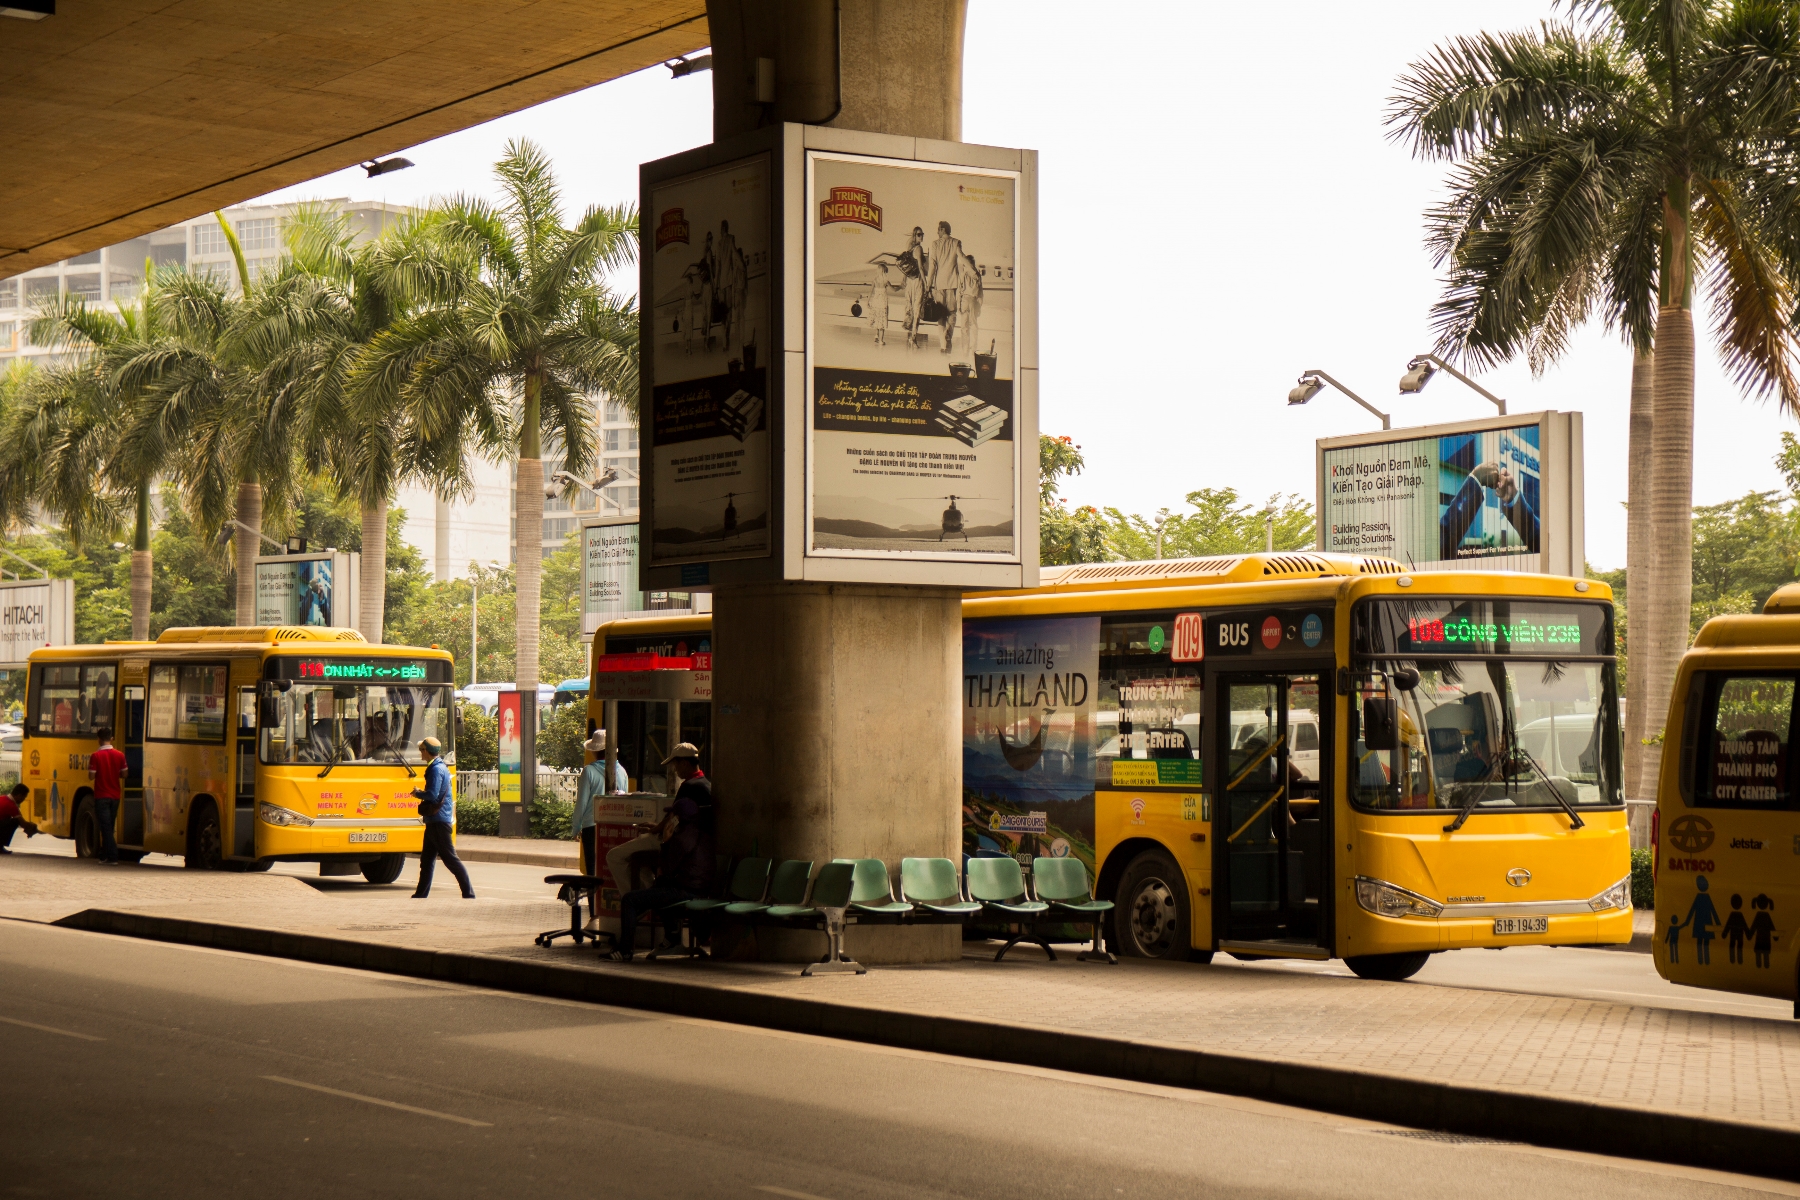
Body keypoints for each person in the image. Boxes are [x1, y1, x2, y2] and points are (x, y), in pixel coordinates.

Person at [607, 742, 715, 961]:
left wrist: (662, 837)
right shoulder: (705, 786)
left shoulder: (689, 791)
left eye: (676, 765)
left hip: (684, 888)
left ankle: (639, 909)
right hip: (692, 883)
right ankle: (668, 933)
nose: (675, 770)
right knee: (655, 887)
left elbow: (668, 866)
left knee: (615, 857)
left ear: (684, 763)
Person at [411, 737, 474, 899]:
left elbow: (432, 794)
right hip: (435, 821)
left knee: (450, 859)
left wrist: (418, 793)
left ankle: (469, 893)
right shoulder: (438, 766)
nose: (420, 754)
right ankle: (420, 895)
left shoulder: (435, 769)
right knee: (426, 861)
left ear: (426, 751)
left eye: (421, 750)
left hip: (439, 821)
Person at [573, 731, 627, 877]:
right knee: (611, 870)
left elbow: (582, 803)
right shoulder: (622, 772)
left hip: (591, 827)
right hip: (615, 826)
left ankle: (593, 900)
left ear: (595, 752)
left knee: (593, 870)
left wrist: (575, 827)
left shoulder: (588, 771)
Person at [87, 728, 127, 864]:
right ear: (112, 738)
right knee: (109, 825)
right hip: (115, 796)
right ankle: (104, 856)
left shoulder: (96, 756)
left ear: (99, 739)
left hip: (101, 796)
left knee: (105, 827)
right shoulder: (120, 755)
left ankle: (113, 856)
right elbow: (124, 774)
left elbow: (91, 776)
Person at [927, 221, 965, 353]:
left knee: (940, 315)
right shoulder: (956, 242)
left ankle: (943, 346)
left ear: (943, 230)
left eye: (938, 230)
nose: (937, 232)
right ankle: (948, 336)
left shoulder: (935, 244)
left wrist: (928, 285)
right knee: (952, 313)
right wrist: (973, 271)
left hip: (939, 284)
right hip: (952, 284)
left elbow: (932, 266)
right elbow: (962, 258)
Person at [0, 782, 38, 852]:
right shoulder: (11, 805)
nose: (23, 800)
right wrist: (33, 827)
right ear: (19, 795)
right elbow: (22, 823)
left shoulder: (3, 798)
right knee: (15, 821)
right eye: (24, 797)